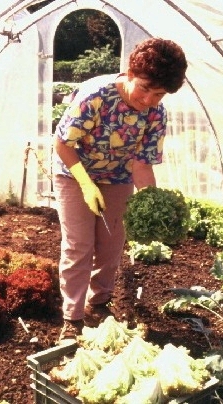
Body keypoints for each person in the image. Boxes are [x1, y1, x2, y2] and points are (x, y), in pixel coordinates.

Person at [53, 37, 188, 344]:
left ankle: (99, 302)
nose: (148, 100)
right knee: (79, 246)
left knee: (113, 244)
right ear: (129, 73)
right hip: (75, 173)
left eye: (159, 94)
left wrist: (152, 203)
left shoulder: (156, 114)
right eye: (144, 88)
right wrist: (86, 183)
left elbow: (141, 164)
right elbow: (62, 143)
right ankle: (72, 318)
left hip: (117, 177)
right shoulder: (96, 95)